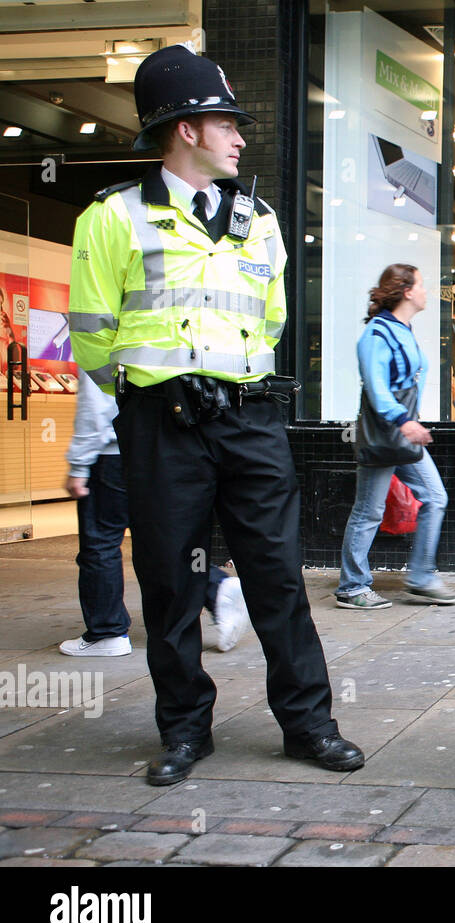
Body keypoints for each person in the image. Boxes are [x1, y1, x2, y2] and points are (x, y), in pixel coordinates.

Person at [68, 44, 362, 785]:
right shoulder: (111, 218)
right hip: (160, 423)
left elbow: (270, 322)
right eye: (226, 121)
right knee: (170, 581)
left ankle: (310, 726)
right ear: (185, 129)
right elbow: (94, 336)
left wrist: (225, 382)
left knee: (278, 577)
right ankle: (183, 732)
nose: (238, 136)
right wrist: (157, 387)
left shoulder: (258, 220)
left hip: (250, 420)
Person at [60, 369, 251, 657]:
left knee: (100, 541)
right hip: (153, 447)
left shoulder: (98, 334)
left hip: (111, 454)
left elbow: (95, 407)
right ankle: (216, 587)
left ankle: (106, 631)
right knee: (161, 536)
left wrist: (78, 464)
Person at [337, 265, 455, 609]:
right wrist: (404, 422)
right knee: (368, 511)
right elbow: (377, 389)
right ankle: (352, 587)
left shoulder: (403, 329)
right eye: (421, 284)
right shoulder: (377, 334)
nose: (426, 291)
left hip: (404, 435)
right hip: (386, 434)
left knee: (435, 497)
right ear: (406, 291)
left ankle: (421, 577)